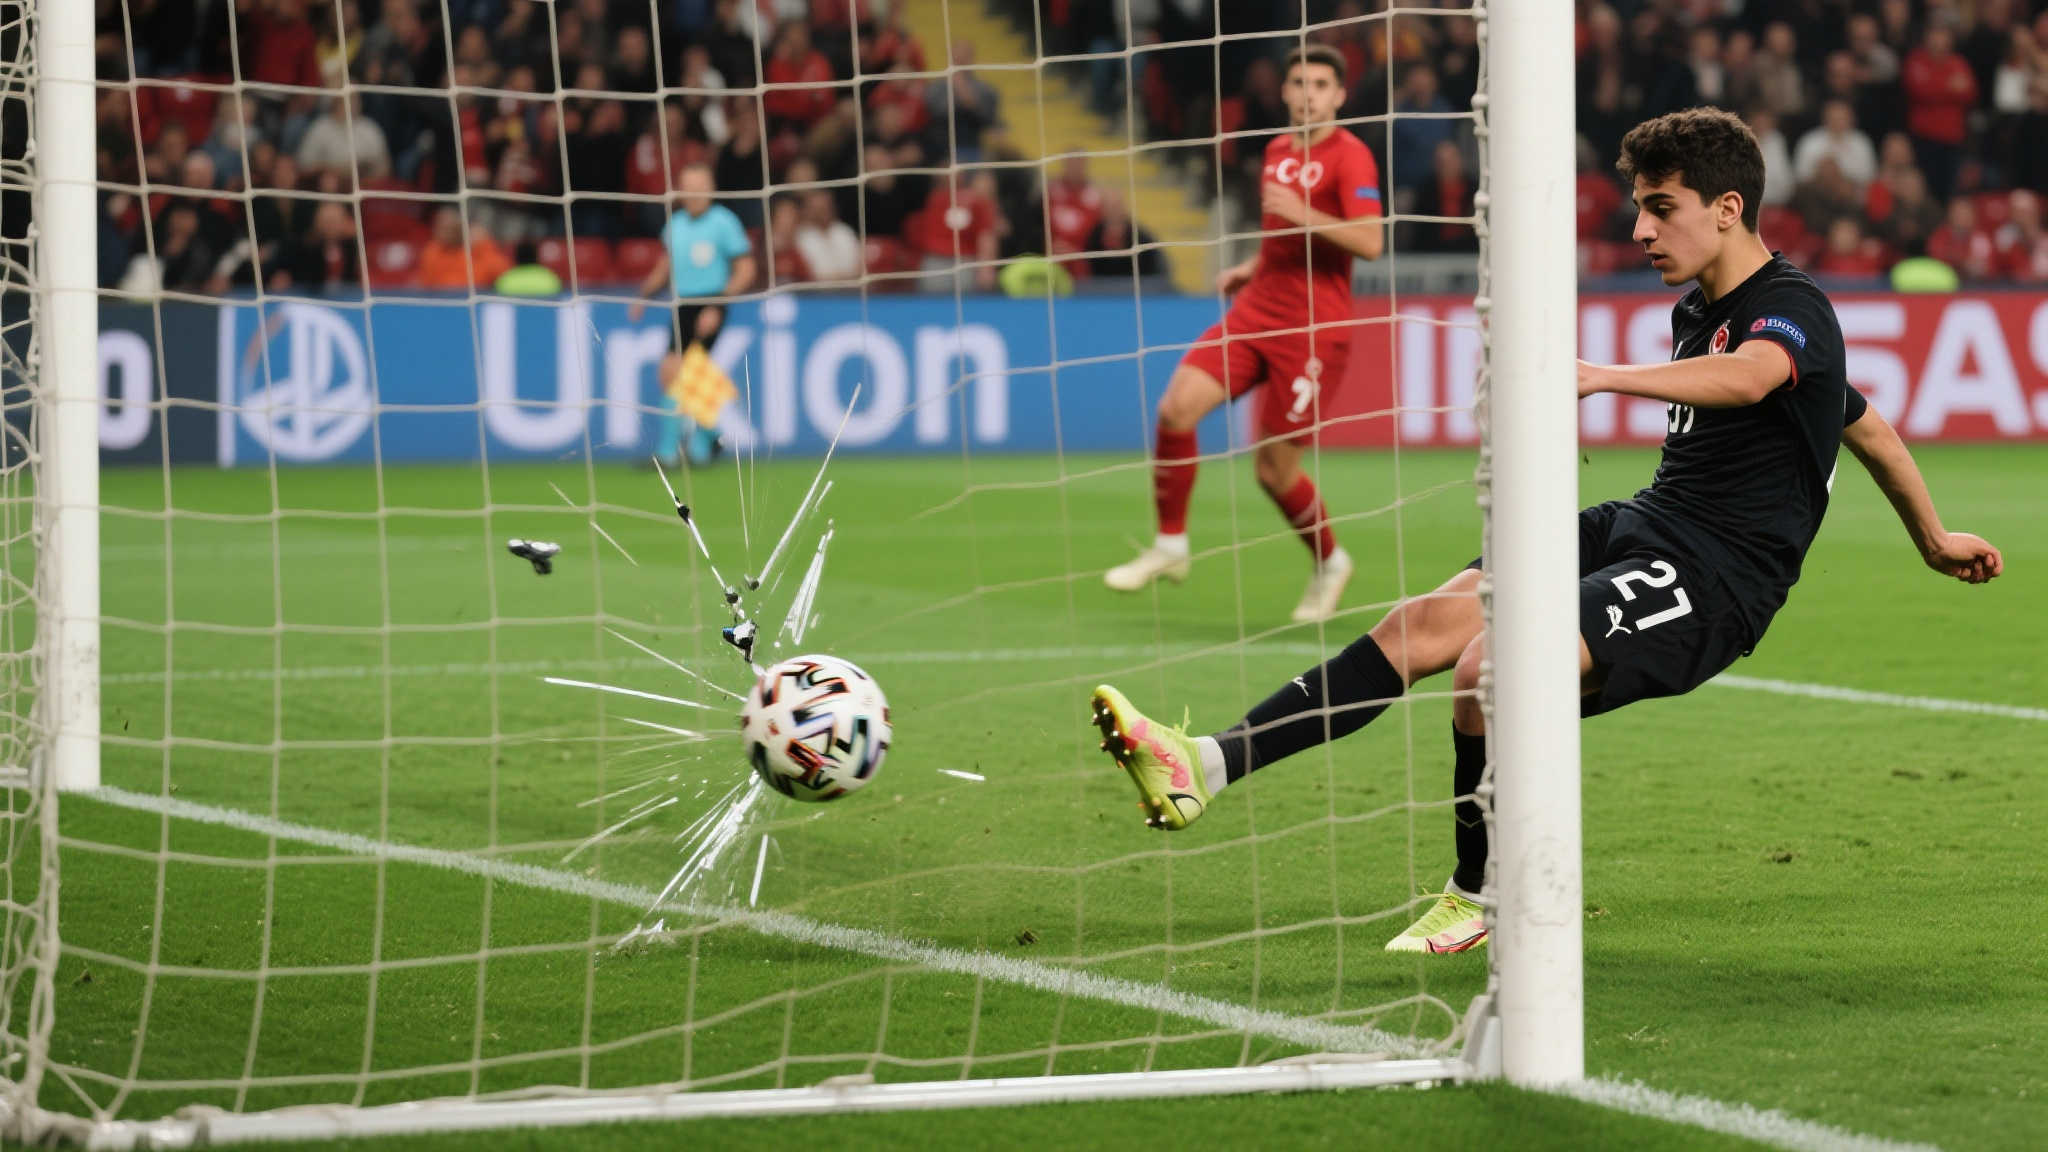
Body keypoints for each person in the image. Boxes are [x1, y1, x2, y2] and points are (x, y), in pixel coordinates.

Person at [1088, 107, 2002, 956]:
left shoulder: (1791, 308)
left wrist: (1600, 376)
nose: (1640, 230)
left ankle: (1478, 894)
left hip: (1717, 576)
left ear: (1728, 209)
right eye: (1639, 208)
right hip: (1644, 523)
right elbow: (1863, 423)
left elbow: (1755, 375)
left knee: (1490, 670)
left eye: (1660, 208)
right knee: (1419, 624)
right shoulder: (1697, 310)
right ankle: (1203, 764)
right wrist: (1933, 536)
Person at [1103, 45, 1383, 624]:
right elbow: (1282, 237)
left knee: (1272, 471)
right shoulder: (1277, 150)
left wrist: (1302, 213)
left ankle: (1331, 561)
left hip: (1313, 331)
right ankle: (1170, 544)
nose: (1308, 94)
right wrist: (1252, 267)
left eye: (1320, 85)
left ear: (1339, 95)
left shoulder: (1352, 157)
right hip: (1256, 312)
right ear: (1284, 91)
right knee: (1176, 408)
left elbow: (1370, 241)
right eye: (1299, 82)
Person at [626, 162, 756, 469]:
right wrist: (643, 296)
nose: (694, 194)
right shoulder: (675, 225)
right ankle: (708, 440)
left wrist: (718, 305)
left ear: (711, 189)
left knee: (677, 371)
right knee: (681, 375)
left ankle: (671, 453)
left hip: (710, 302)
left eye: (700, 187)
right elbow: (665, 266)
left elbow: (746, 269)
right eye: (689, 188)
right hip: (682, 304)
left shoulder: (724, 222)